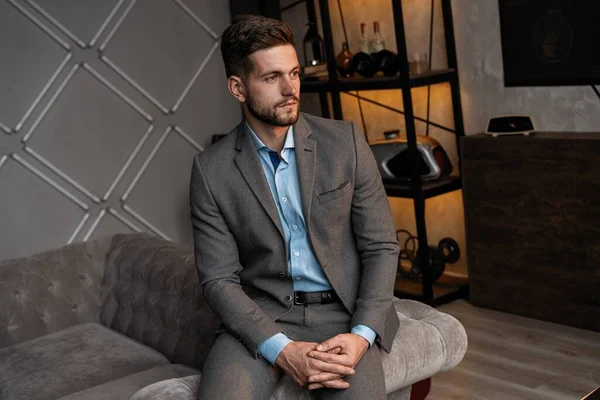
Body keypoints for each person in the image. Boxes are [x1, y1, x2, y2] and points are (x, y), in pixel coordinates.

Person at [189, 14, 399, 400]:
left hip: (344, 313)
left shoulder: (345, 142)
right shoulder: (210, 171)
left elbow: (381, 247)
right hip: (265, 315)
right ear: (238, 88)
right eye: (272, 78)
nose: (291, 89)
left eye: (295, 73)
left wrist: (362, 335)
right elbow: (218, 281)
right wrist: (281, 350)